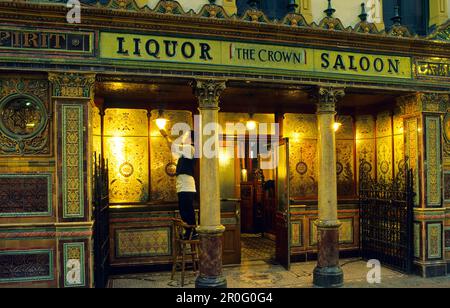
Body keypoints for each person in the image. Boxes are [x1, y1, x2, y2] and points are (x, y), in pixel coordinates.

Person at [160, 129, 198, 240]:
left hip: (187, 184)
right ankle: (189, 230)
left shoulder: (190, 148)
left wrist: (166, 135)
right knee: (183, 209)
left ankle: (192, 231)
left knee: (187, 209)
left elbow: (173, 146)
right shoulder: (185, 151)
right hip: (183, 184)